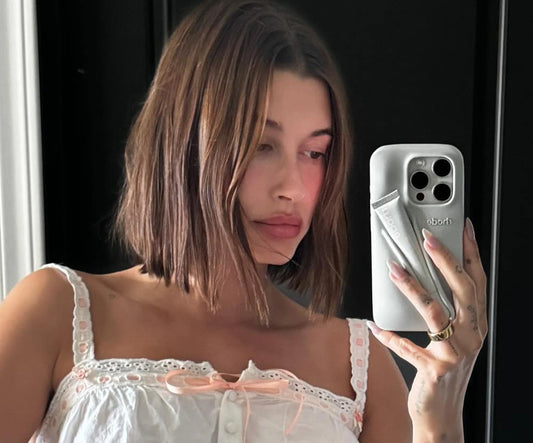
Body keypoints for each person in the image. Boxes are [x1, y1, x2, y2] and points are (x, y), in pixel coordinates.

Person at [0, 0, 487, 441]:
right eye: (261, 145)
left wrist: (439, 415)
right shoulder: (58, 311)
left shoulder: (361, 365)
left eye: (315, 152)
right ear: (184, 145)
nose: (294, 188)